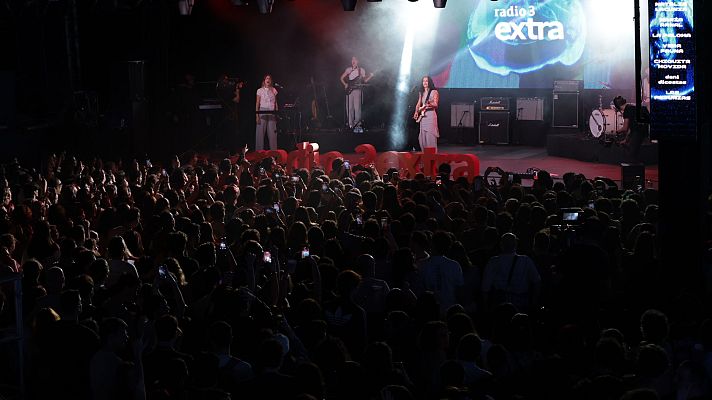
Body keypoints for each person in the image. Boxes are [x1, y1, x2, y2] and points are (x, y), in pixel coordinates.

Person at [340, 56, 373, 130]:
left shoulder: (361, 70)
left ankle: (357, 125)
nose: (353, 61)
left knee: (357, 108)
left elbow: (365, 80)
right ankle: (350, 125)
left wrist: (370, 76)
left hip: (357, 90)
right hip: (349, 91)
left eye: (355, 59)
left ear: (358, 61)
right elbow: (341, 78)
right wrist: (345, 84)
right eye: (352, 59)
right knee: (349, 108)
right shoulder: (348, 69)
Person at [614, 95, 648, 162]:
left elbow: (625, 128)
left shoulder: (627, 111)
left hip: (638, 131)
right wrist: (626, 140)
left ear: (617, 106)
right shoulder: (631, 107)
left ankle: (634, 167)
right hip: (643, 130)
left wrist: (616, 131)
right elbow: (630, 129)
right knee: (634, 151)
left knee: (631, 155)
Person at [413, 76, 440, 151]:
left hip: (430, 116)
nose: (425, 82)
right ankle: (425, 155)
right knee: (422, 138)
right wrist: (416, 112)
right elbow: (418, 104)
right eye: (423, 81)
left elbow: (435, 104)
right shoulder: (421, 93)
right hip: (423, 117)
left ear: (429, 82)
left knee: (430, 137)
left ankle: (432, 156)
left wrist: (429, 104)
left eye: (426, 81)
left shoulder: (434, 92)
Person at [255, 74, 279, 150]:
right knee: (260, 133)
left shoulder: (274, 90)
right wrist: (257, 116)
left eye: (269, 79)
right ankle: (259, 152)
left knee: (273, 133)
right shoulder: (259, 90)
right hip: (262, 111)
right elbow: (257, 103)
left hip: (272, 112)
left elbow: (276, 103)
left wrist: (276, 114)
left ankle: (274, 151)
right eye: (266, 78)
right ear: (264, 81)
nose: (268, 80)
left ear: (271, 81)